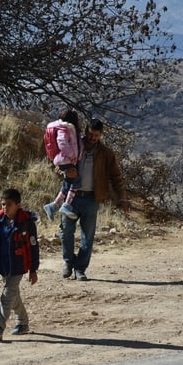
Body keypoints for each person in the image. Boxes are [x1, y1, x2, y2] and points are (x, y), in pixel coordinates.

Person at [60, 119, 130, 282]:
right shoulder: (75, 147)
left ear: (101, 135)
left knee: (87, 236)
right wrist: (63, 172)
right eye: (90, 134)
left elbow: (116, 177)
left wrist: (122, 198)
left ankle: (80, 269)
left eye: (96, 135)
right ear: (86, 131)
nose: (93, 138)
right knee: (65, 232)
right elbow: (59, 162)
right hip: (72, 195)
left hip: (92, 198)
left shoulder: (106, 154)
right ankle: (68, 262)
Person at [0, 188, 40, 341]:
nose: (5, 208)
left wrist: (33, 270)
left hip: (18, 266)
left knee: (7, 295)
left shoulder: (27, 223)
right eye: (3, 204)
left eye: (9, 204)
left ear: (18, 205)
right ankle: (23, 323)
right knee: (13, 295)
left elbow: (33, 247)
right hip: (3, 266)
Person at [43, 108, 83, 221]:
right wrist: (72, 156)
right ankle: (65, 205)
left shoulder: (64, 128)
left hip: (65, 159)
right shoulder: (65, 128)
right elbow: (62, 142)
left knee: (68, 183)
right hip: (66, 159)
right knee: (76, 180)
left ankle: (53, 206)